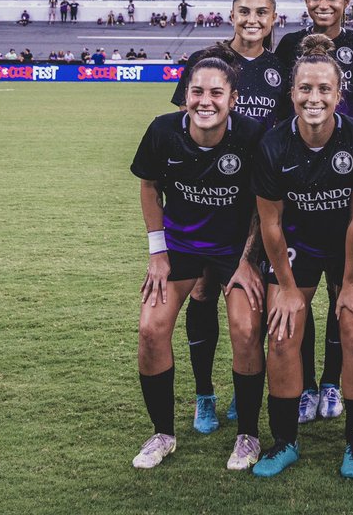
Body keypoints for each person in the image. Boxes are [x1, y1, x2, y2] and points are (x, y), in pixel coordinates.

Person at [251, 35, 353, 478]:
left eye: (324, 89)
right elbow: (270, 223)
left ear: (338, 95)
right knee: (283, 334)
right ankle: (285, 441)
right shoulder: (271, 145)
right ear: (292, 93)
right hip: (297, 245)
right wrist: (286, 288)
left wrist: (349, 283)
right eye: (305, 88)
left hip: (351, 244)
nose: (314, 97)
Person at [129, 56, 267, 471]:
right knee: (150, 329)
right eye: (197, 91)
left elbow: (266, 205)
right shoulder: (162, 131)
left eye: (216, 93)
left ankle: (248, 435)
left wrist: (247, 259)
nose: (205, 101)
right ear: (185, 94)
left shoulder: (253, 136)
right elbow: (150, 188)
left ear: (233, 99)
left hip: (233, 247)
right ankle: (163, 434)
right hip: (180, 247)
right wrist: (158, 252)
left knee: (245, 329)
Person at [169, 0, 287, 435]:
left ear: (274, 18)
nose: (252, 19)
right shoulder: (207, 61)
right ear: (231, 14)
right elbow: (188, 123)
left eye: (261, 12)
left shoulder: (281, 68)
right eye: (244, 11)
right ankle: (204, 394)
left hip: (257, 201)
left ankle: (244, 387)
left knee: (249, 296)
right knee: (201, 293)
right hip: (205, 200)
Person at [274, 0, 353, 420]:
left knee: (344, 292)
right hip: (300, 174)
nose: (323, 4)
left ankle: (333, 383)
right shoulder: (287, 46)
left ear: (346, 0)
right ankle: (307, 384)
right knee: (299, 293)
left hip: (348, 172)